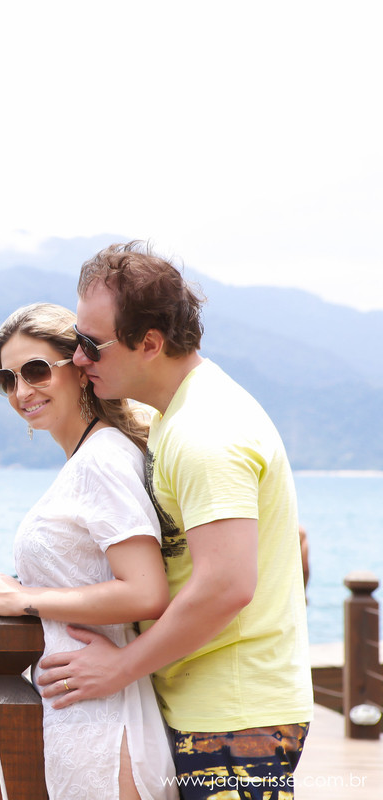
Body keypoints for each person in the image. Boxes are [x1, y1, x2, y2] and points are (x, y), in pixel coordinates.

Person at [36, 241, 312, 799]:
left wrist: (120, 669)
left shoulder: (206, 433)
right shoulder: (179, 414)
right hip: (217, 707)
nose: (79, 359)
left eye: (90, 344)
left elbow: (227, 585)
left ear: (150, 343)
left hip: (235, 718)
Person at [0, 302, 178, 800]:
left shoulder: (102, 460)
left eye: (35, 371)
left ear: (77, 367)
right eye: (7, 380)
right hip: (78, 708)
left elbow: (145, 591)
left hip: (105, 719)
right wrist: (15, 586)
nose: (22, 391)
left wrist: (22, 600)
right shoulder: (86, 459)